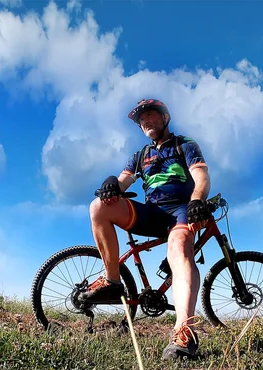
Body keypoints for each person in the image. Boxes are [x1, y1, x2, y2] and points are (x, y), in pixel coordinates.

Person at [79, 98, 212, 360]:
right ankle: (112, 280)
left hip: (180, 210)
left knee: (181, 251)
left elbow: (202, 177)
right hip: (151, 211)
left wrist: (197, 201)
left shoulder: (184, 145)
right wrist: (112, 183)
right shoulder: (140, 155)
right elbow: (122, 181)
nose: (145, 122)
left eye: (150, 116)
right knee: (98, 207)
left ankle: (184, 332)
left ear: (165, 118)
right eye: (141, 121)